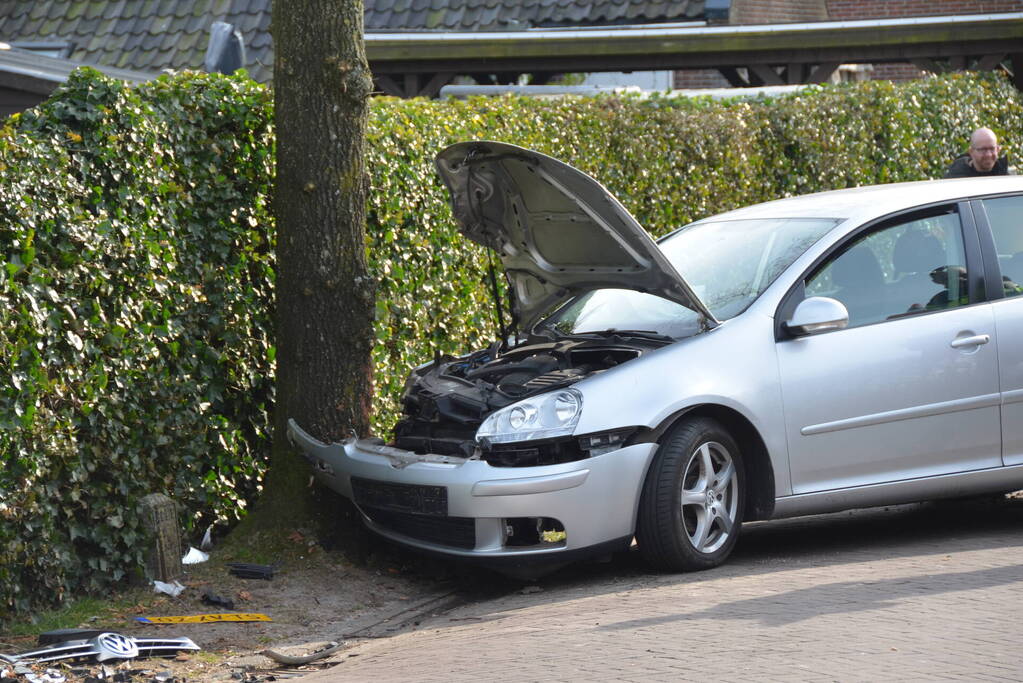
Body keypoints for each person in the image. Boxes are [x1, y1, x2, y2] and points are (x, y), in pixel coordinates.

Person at [944, 127, 1010, 177]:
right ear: (971, 152)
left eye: (992, 149)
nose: (988, 155)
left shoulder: (1005, 178)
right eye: (983, 150)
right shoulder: (956, 179)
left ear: (998, 149)